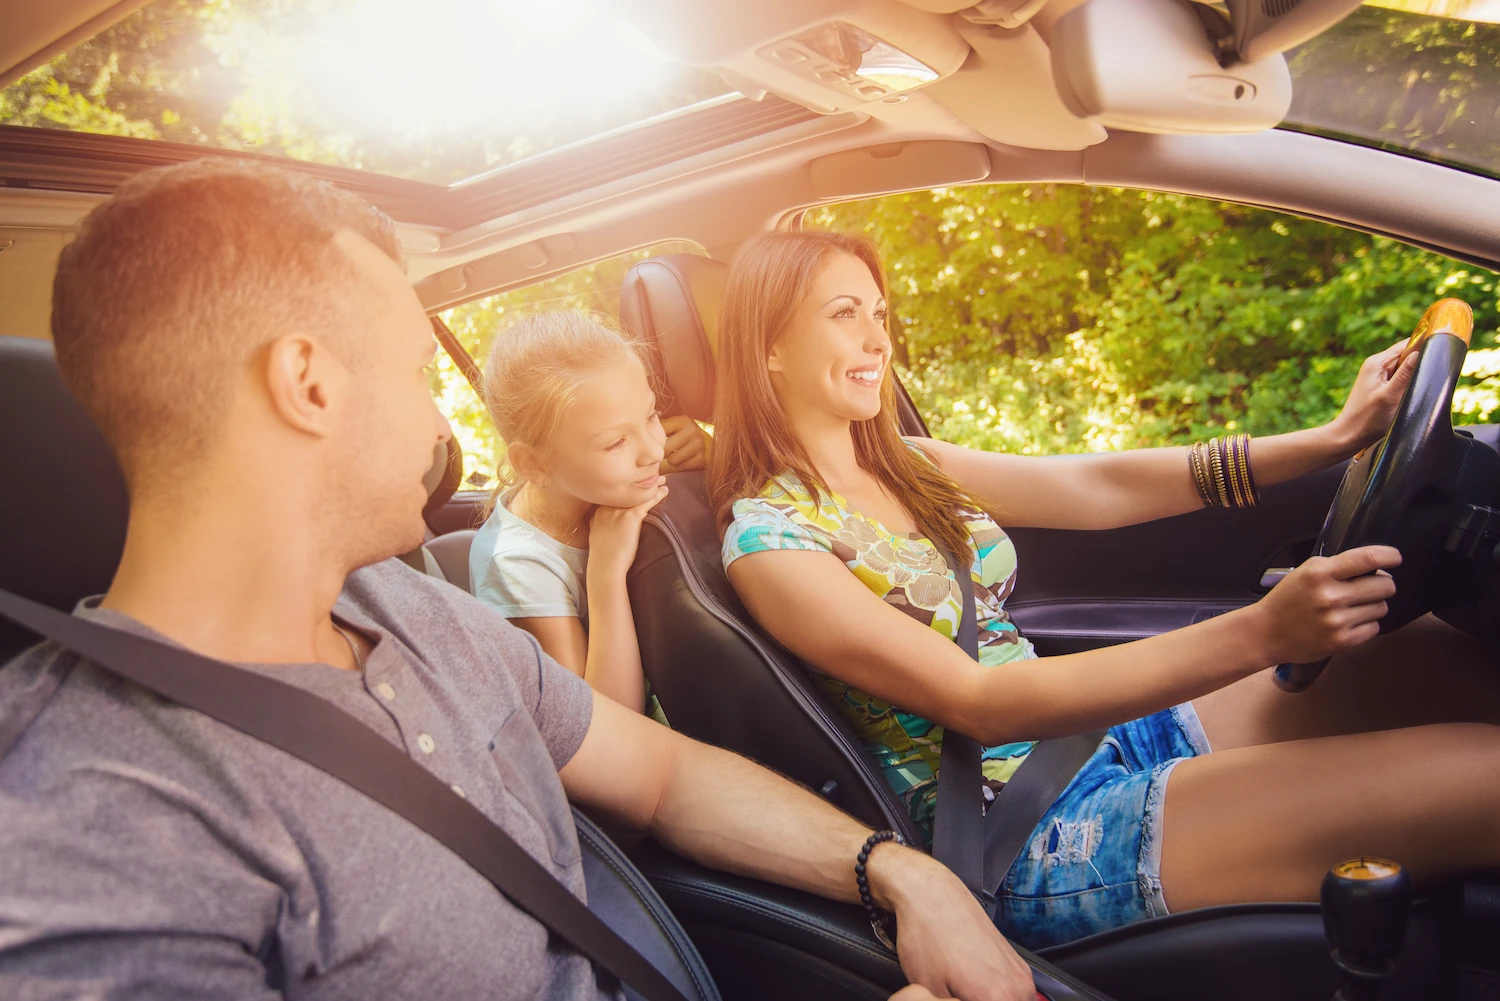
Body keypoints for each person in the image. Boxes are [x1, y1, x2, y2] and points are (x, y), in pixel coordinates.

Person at [0, 161, 1034, 1001]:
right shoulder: (80, 829)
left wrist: (901, 870)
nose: (437, 425)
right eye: (417, 371)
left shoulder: (408, 609)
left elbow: (663, 775)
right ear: (308, 384)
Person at [708, 229, 1500, 951]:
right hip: (1030, 837)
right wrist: (1263, 630)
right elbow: (981, 701)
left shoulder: (910, 464)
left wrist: (1333, 437)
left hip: (1092, 739)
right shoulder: (771, 542)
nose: (878, 339)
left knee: (1448, 660)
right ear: (768, 346)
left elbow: (1100, 487)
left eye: (879, 313)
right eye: (844, 314)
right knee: (1485, 776)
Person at [469, 311, 706, 720]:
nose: (655, 450)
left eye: (651, 416)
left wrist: (710, 456)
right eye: (615, 443)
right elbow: (604, 724)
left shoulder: (613, 475)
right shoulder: (517, 565)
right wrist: (605, 573)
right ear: (535, 464)